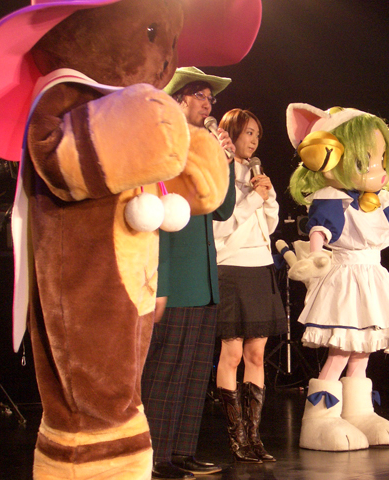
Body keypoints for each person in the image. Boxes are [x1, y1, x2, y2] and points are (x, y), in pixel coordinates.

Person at [284, 104, 389, 451]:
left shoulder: (376, 201)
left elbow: (384, 234)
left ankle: (358, 413)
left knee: (364, 349)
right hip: (347, 276)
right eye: (366, 161)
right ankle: (319, 418)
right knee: (342, 348)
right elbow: (320, 230)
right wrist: (317, 255)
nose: (377, 171)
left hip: (372, 274)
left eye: (380, 161)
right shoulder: (332, 198)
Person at [141, 67, 237, 480]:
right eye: (200, 96)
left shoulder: (204, 150)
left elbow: (223, 209)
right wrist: (159, 283)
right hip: (176, 282)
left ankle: (182, 451)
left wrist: (225, 162)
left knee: (195, 375)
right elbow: (155, 219)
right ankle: (155, 455)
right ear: (178, 99)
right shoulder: (163, 149)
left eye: (210, 98)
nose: (208, 104)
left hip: (204, 282)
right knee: (166, 371)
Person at [212, 109, 287, 463]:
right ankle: (236, 438)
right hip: (231, 266)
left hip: (260, 266)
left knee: (257, 354)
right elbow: (220, 227)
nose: (254, 140)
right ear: (231, 134)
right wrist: (254, 198)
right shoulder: (220, 172)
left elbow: (268, 226)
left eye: (257, 134)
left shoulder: (257, 173)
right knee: (232, 354)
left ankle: (254, 437)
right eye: (248, 133)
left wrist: (268, 198)